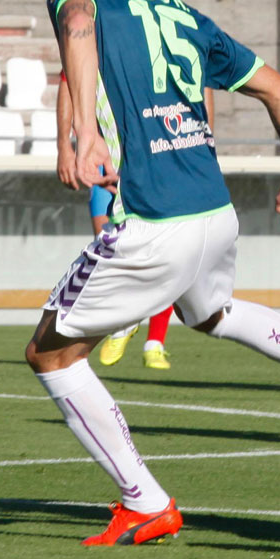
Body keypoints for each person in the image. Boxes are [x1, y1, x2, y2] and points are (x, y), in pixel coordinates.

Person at [27, 0, 280, 547]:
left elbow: (79, 24)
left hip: (154, 220)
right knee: (213, 313)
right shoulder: (184, 12)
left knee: (50, 352)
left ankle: (144, 500)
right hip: (214, 212)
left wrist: (84, 132)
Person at [57, 70, 180, 371]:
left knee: (165, 250)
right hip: (104, 159)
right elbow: (68, 83)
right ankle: (125, 321)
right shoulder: (86, 47)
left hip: (150, 156)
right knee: (112, 249)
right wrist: (64, 146)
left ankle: (154, 342)